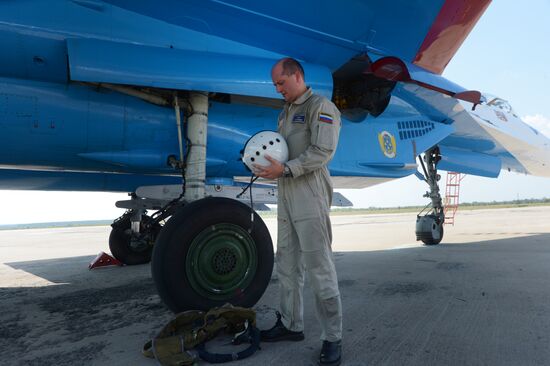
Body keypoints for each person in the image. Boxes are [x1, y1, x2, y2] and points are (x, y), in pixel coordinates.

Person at [253, 57, 343, 366]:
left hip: (309, 192)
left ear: (298, 76)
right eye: (275, 84)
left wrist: (286, 169)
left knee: (319, 267)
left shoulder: (321, 106)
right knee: (287, 263)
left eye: (281, 83)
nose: (278, 89)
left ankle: (333, 337)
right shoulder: (285, 113)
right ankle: (291, 324)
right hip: (286, 192)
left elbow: (322, 152)